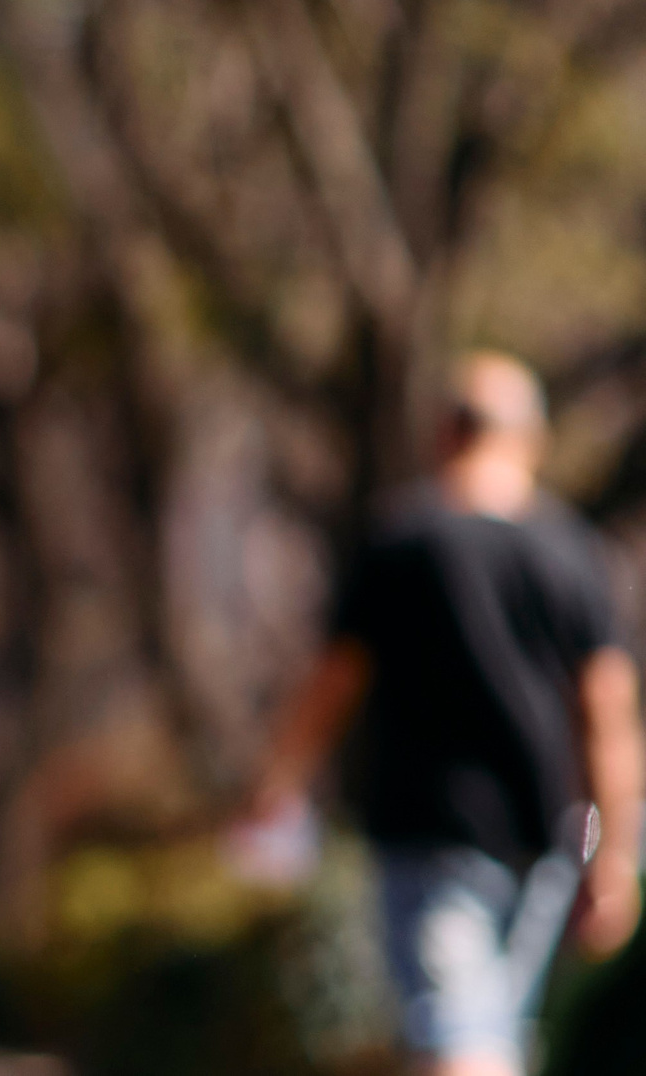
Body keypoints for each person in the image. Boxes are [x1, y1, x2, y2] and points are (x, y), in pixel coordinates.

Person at [248, 351, 645, 1076]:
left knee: (460, 1038)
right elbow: (609, 716)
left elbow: (331, 686)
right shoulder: (575, 554)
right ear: (532, 440)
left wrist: (277, 784)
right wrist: (612, 853)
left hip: (428, 835)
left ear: (443, 435)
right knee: (487, 1033)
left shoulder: (402, 543)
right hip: (548, 842)